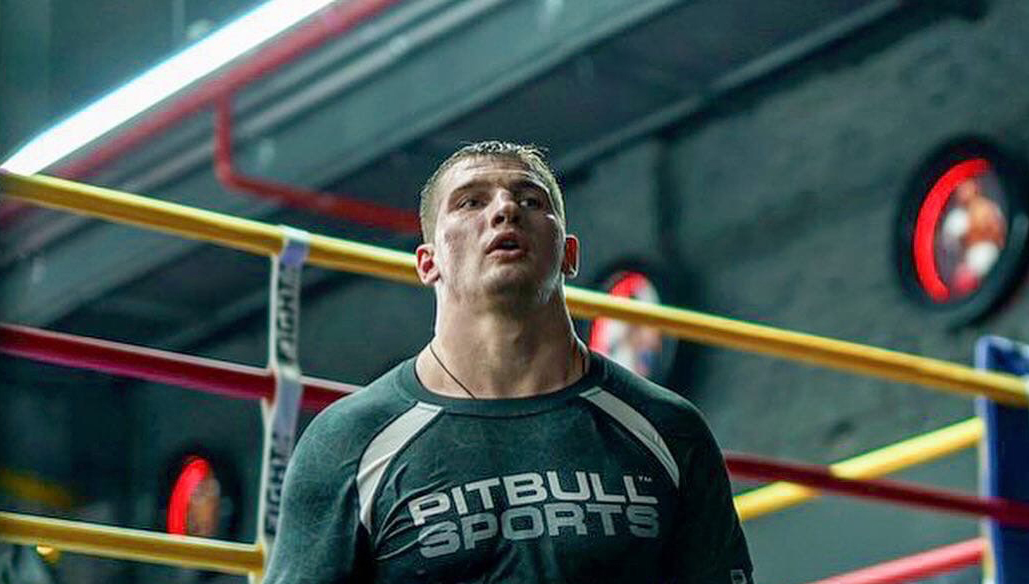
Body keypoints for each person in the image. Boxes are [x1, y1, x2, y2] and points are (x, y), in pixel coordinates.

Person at [264, 141, 754, 583]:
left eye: (531, 200)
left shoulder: (666, 428)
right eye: (471, 202)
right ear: (428, 262)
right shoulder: (349, 442)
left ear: (568, 253)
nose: (505, 209)